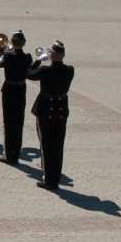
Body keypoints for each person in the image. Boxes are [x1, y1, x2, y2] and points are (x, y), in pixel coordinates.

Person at [30, 41, 75, 190]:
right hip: (61, 110)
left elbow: (28, 73)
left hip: (45, 109)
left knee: (46, 145)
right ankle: (55, 178)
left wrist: (38, 60)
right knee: (58, 145)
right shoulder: (69, 70)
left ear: (53, 55)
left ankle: (48, 180)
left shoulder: (44, 70)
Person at [0, 30, 33, 165]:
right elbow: (30, 70)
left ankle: (8, 154)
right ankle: (15, 154)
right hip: (20, 90)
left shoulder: (8, 57)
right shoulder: (28, 57)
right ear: (24, 43)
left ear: (12, 42)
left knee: (8, 123)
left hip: (9, 90)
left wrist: (4, 51)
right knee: (18, 123)